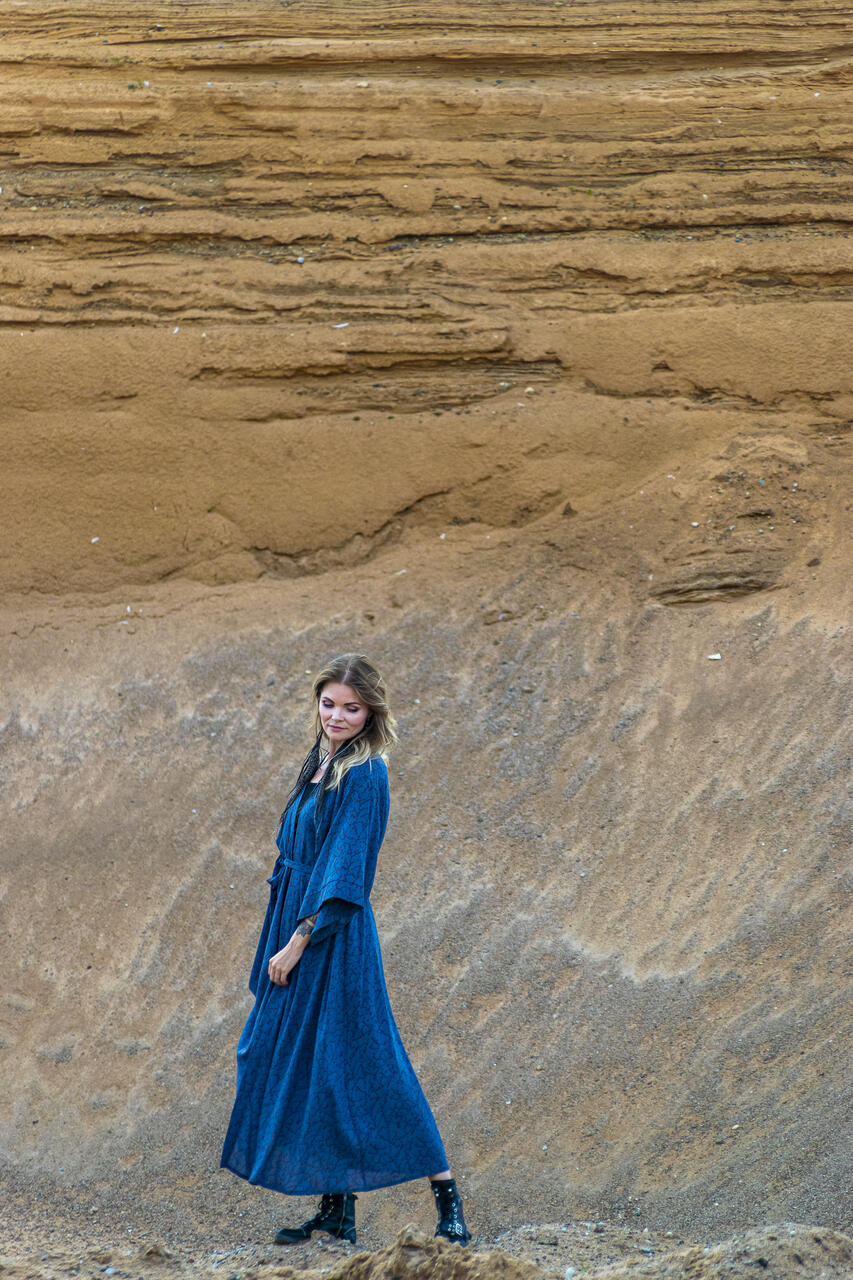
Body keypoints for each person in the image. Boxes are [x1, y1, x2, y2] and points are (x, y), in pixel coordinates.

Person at [221, 653, 470, 1247]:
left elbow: (345, 870)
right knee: (312, 1065)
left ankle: (448, 1203)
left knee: (371, 1064)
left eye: (351, 708)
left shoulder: (365, 773)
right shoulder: (320, 760)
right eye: (328, 703)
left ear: (371, 713)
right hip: (295, 920)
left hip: (330, 937)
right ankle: (337, 1212)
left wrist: (298, 941)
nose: (336, 716)